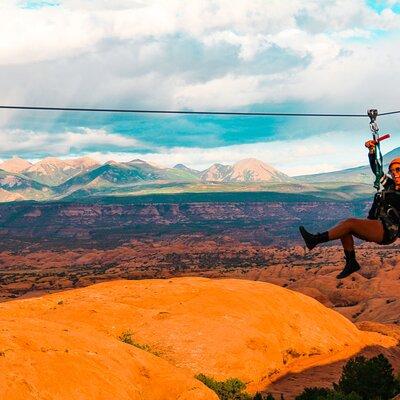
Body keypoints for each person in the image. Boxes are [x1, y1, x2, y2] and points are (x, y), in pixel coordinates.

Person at [299, 139, 400, 279]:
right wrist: (372, 151)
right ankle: (351, 263)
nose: (394, 173)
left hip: (387, 230)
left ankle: (315, 239)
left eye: (398, 170)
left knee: (350, 223)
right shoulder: (390, 185)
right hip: (377, 224)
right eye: (392, 170)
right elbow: (377, 171)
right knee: (344, 228)